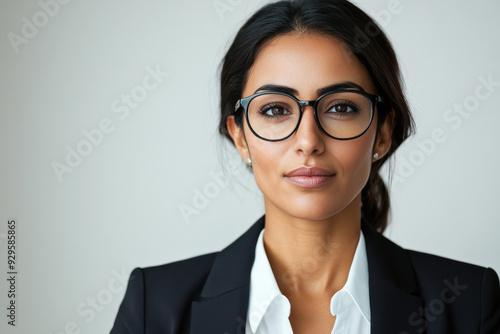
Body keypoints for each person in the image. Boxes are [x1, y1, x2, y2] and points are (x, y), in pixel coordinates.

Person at [110, 0, 500, 333]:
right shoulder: (154, 305)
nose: (308, 141)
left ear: (382, 133)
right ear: (240, 136)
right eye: (276, 109)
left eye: (341, 107)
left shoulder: (469, 301)